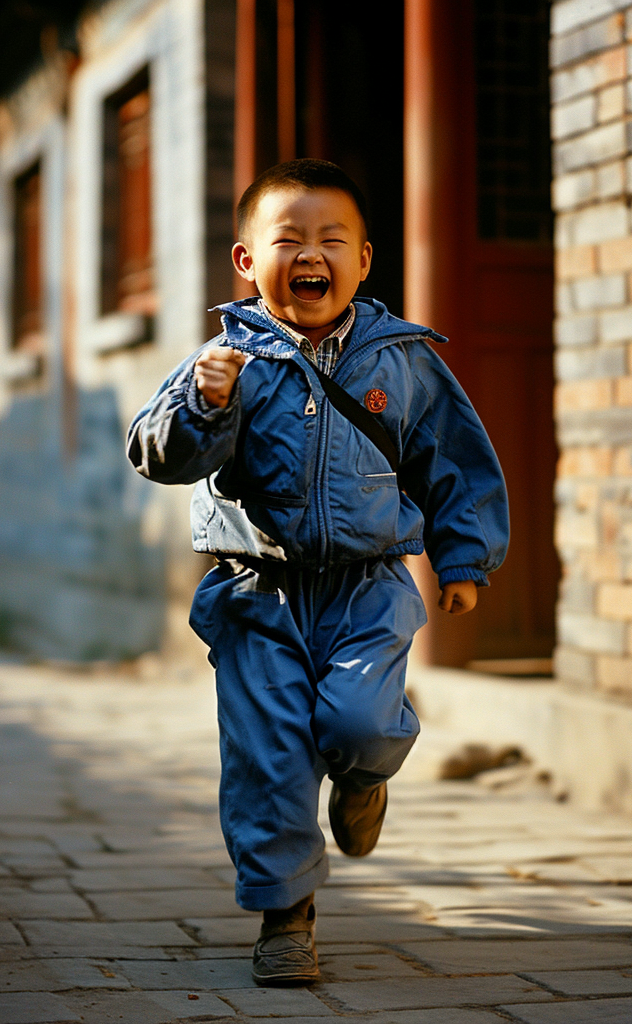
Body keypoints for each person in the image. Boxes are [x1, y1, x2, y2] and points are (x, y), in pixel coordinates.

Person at [127, 158, 508, 985]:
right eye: (288, 239)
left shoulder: (401, 360)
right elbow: (154, 454)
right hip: (254, 595)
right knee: (268, 757)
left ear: (364, 260)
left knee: (363, 725)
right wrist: (204, 403)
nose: (311, 254)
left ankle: (365, 780)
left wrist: (463, 555)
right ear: (246, 261)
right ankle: (285, 916)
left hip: (368, 590)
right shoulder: (226, 359)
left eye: (332, 240)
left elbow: (455, 460)